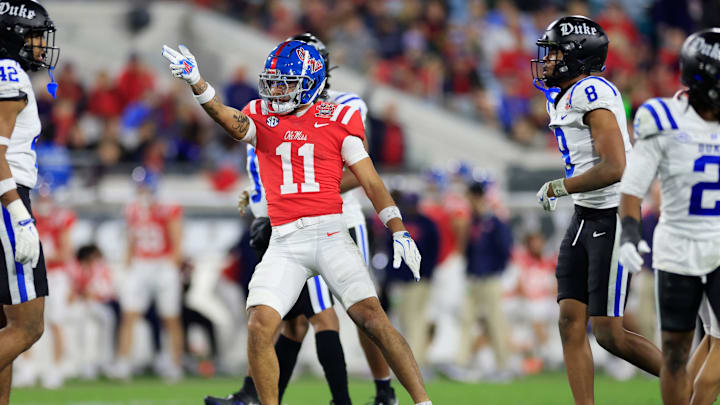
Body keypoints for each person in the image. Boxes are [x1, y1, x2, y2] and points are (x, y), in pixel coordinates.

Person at [162, 39, 431, 405]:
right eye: (274, 81)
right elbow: (227, 118)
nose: (276, 89)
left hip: (331, 231)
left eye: (287, 82)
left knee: (372, 318)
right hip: (285, 240)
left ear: (312, 82)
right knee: (260, 324)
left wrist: (398, 230)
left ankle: (420, 401)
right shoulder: (263, 115)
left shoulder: (340, 115)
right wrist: (198, 84)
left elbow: (370, 180)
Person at [531, 15, 661, 404]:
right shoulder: (564, 92)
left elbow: (615, 166)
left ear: (576, 56)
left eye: (554, 52)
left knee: (608, 333)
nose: (547, 60)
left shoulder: (592, 92)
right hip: (584, 216)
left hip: (615, 214)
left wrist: (561, 185)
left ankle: (686, 380)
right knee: (570, 321)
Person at [618, 29, 720, 405]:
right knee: (675, 352)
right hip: (677, 246)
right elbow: (633, 187)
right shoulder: (663, 118)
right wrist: (629, 233)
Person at [0, 1, 59, 403]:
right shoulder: (8, 75)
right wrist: (18, 212)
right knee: (28, 326)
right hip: (6, 197)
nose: (40, 45)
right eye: (35, 35)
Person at [112, 168, 184, 382]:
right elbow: (131, 240)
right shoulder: (132, 210)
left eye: (144, 186)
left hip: (162, 263)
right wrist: (127, 264)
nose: (141, 191)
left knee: (170, 317)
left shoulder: (167, 209)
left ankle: (175, 363)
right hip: (141, 263)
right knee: (129, 314)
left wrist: (171, 264)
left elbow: (176, 239)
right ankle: (123, 363)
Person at [461, 181, 513, 377]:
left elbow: (505, 249)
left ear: (477, 197)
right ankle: (462, 363)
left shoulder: (494, 222)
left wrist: (495, 270)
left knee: (495, 321)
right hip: (474, 278)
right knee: (467, 319)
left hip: (490, 278)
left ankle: (503, 366)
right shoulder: (474, 221)